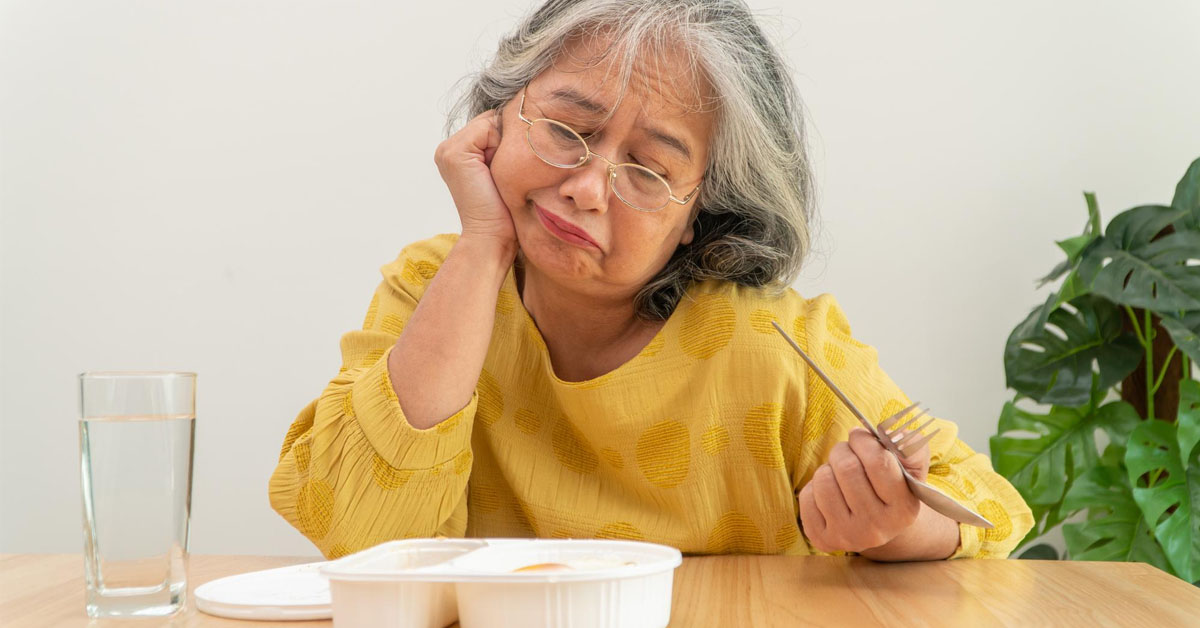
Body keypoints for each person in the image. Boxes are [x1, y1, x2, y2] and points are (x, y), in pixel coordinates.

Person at [269, 0, 1032, 561]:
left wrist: (894, 527)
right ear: (497, 120)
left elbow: (985, 517)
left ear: (700, 215)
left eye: (649, 169)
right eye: (568, 128)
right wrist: (481, 244)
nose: (588, 187)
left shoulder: (774, 343)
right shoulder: (436, 284)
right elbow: (362, 537)